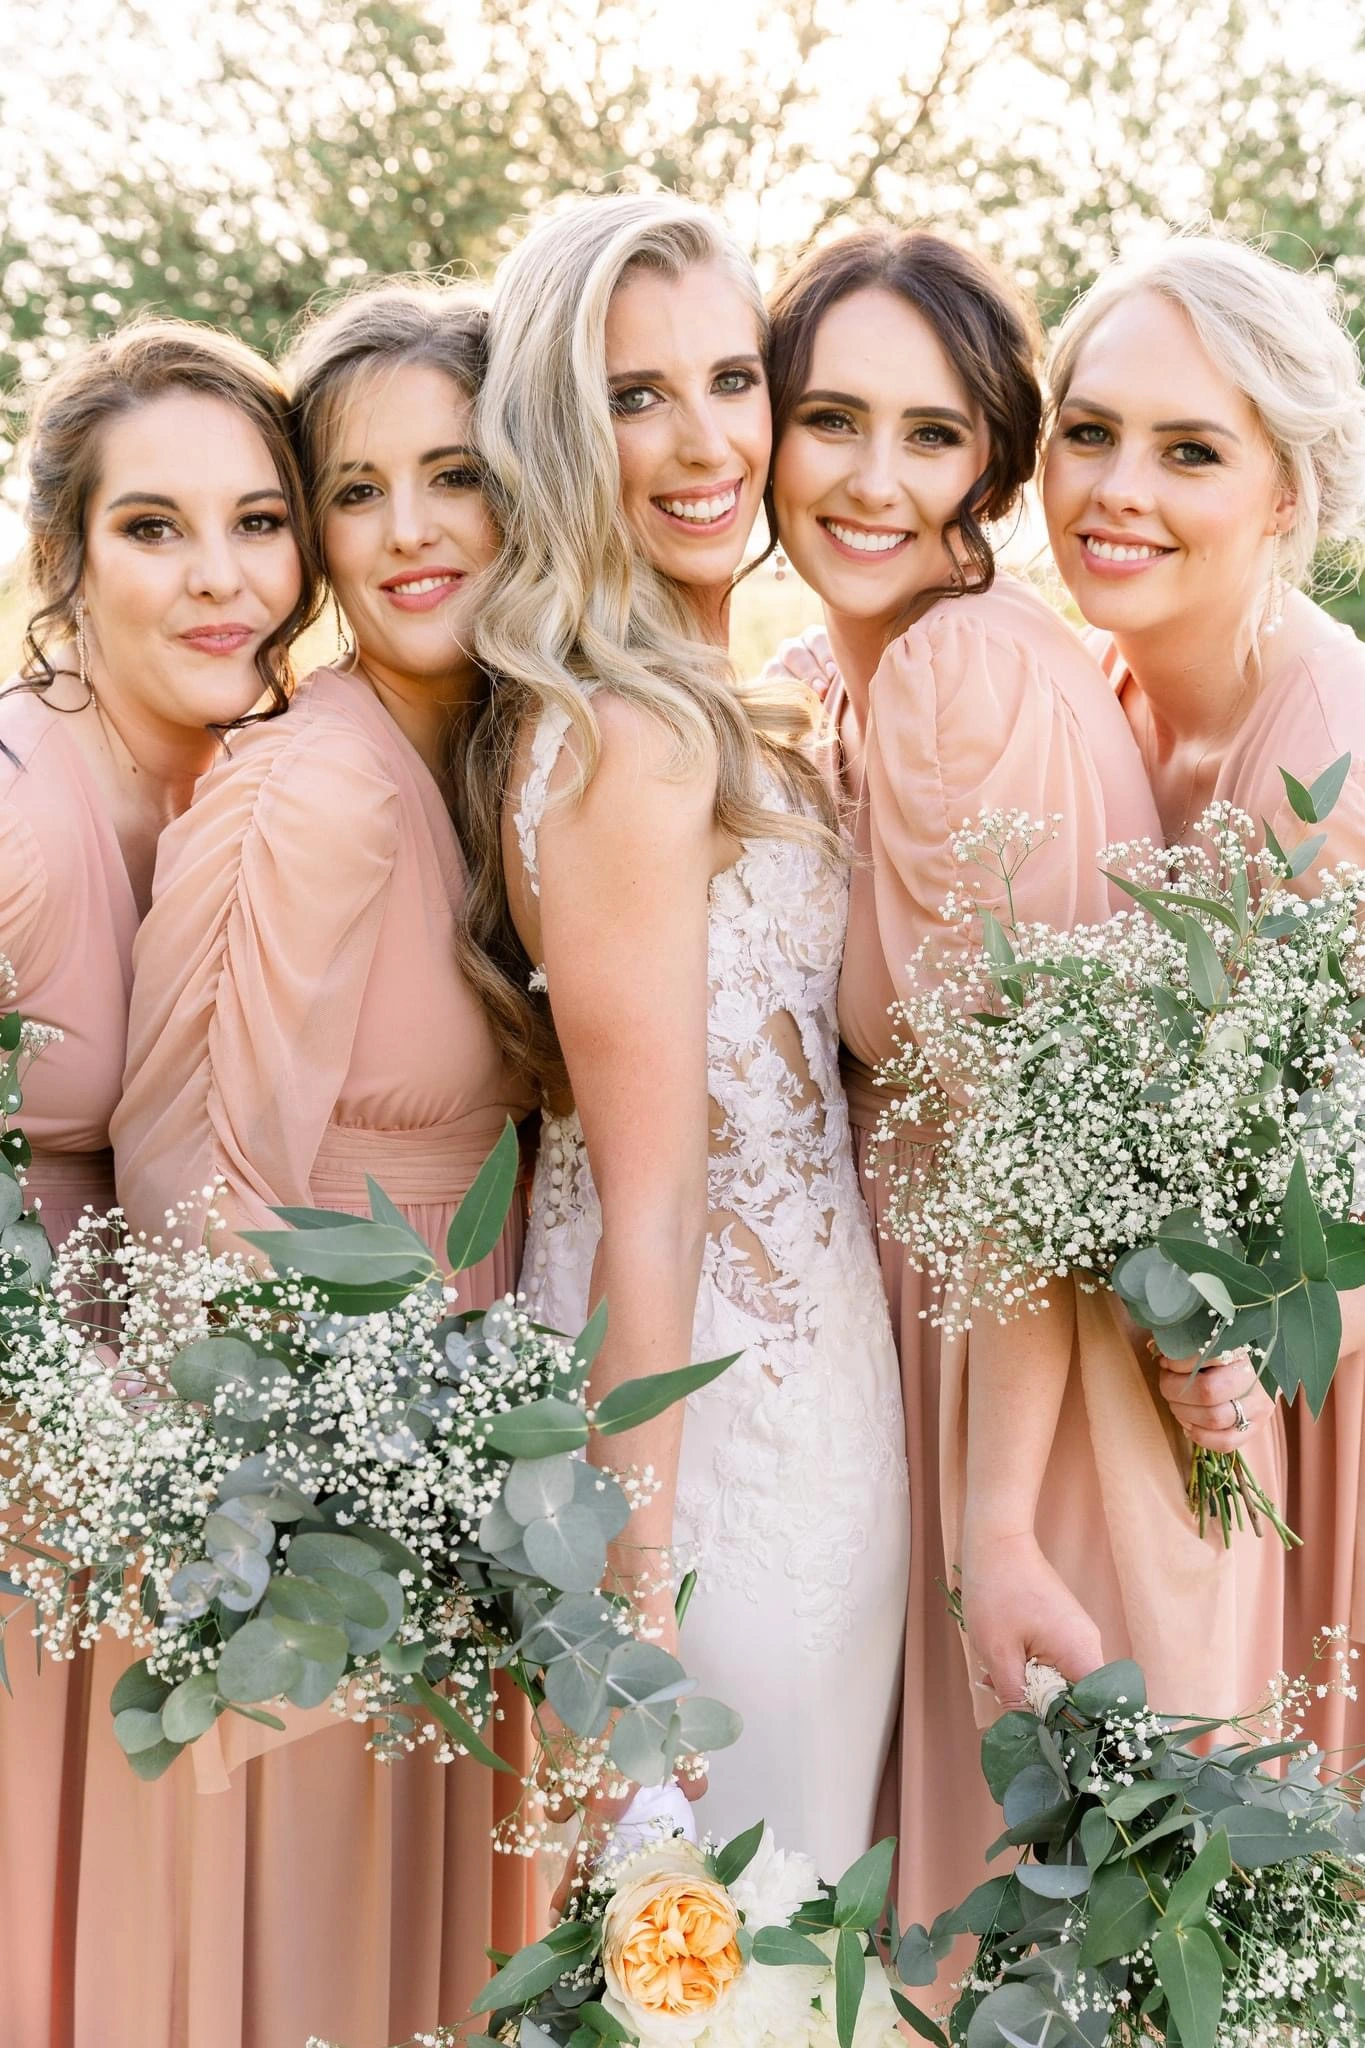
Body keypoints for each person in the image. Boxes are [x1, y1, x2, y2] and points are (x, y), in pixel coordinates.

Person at [761, 226, 1277, 1946]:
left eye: (931, 434)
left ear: (986, 457)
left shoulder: (967, 672)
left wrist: (996, 1530)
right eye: (830, 418)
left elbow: (1030, 1143)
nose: (873, 479)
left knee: (1037, 1928)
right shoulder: (840, 679)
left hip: (1034, 1398)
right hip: (930, 1350)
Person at [459, 194, 911, 1877]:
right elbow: (644, 1206)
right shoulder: (631, 741)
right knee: (729, 1939)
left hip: (820, 1412)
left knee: (791, 1958)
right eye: (637, 396)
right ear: (565, 439)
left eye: (734, 377)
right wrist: (627, 1623)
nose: (708, 438)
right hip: (717, 1470)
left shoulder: (746, 707)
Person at [111, 283, 535, 2045]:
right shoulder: (312, 794)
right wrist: (278, 1569)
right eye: (354, 490)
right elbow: (198, 1212)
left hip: (455, 1465)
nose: (409, 530)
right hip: (317, 1505)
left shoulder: (484, 757)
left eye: (454, 473)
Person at [0, 317, 319, 2048]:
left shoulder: (233, 780)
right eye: (153, 528)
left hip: (153, 1480)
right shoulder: (13, 804)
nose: (222, 579)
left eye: (259, 522)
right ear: (64, 557)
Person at [1043, 231, 1365, 1758]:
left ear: (1284, 495)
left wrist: (1273, 1321)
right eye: (1090, 432)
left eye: (1189, 452)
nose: (1120, 488)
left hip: (1308, 1388)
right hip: (1163, 1386)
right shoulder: (1096, 687)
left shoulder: (1337, 737)